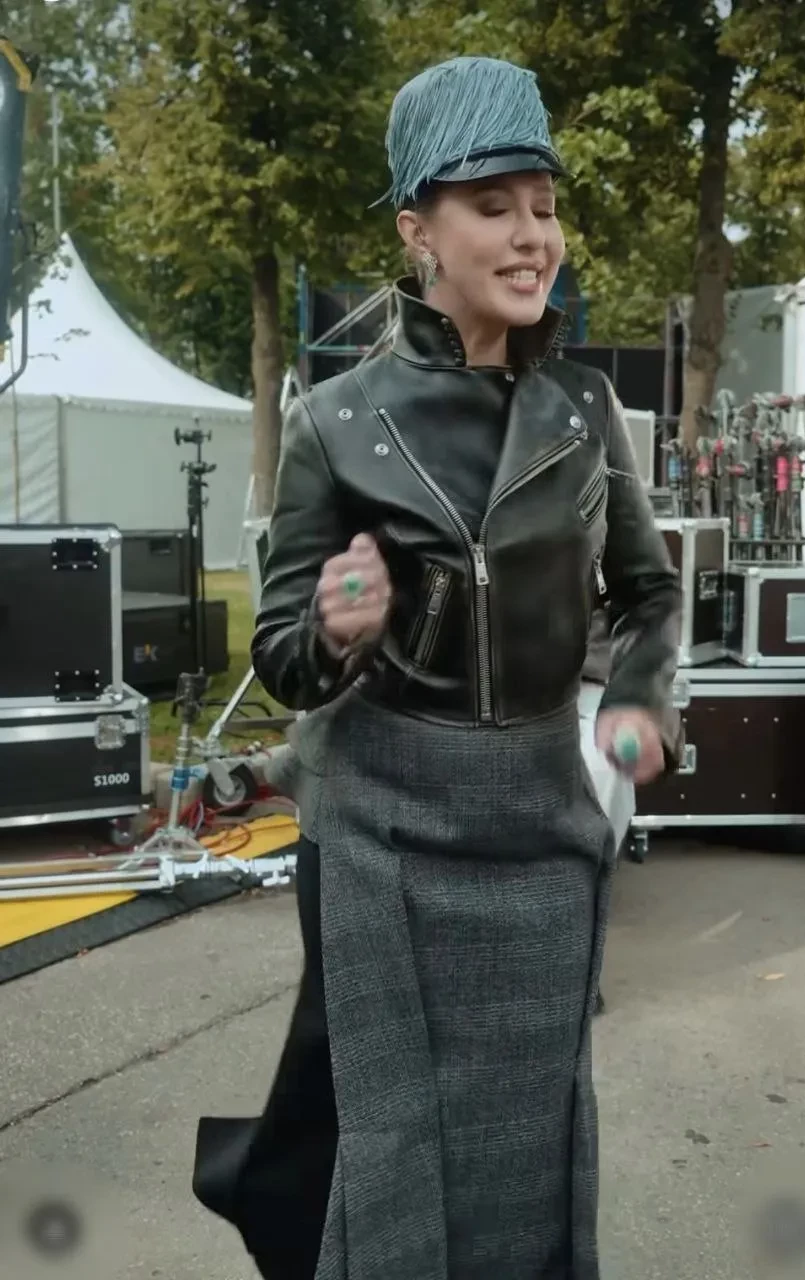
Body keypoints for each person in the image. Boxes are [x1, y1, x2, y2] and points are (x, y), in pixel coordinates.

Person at [193, 54, 681, 1280]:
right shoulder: (336, 419)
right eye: (493, 205)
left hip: (541, 823)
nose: (532, 236)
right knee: (394, 1141)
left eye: (544, 206)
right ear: (418, 229)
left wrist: (634, 699)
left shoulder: (584, 409)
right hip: (381, 831)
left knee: (530, 1142)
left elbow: (649, 590)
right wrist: (339, 627)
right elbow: (281, 657)